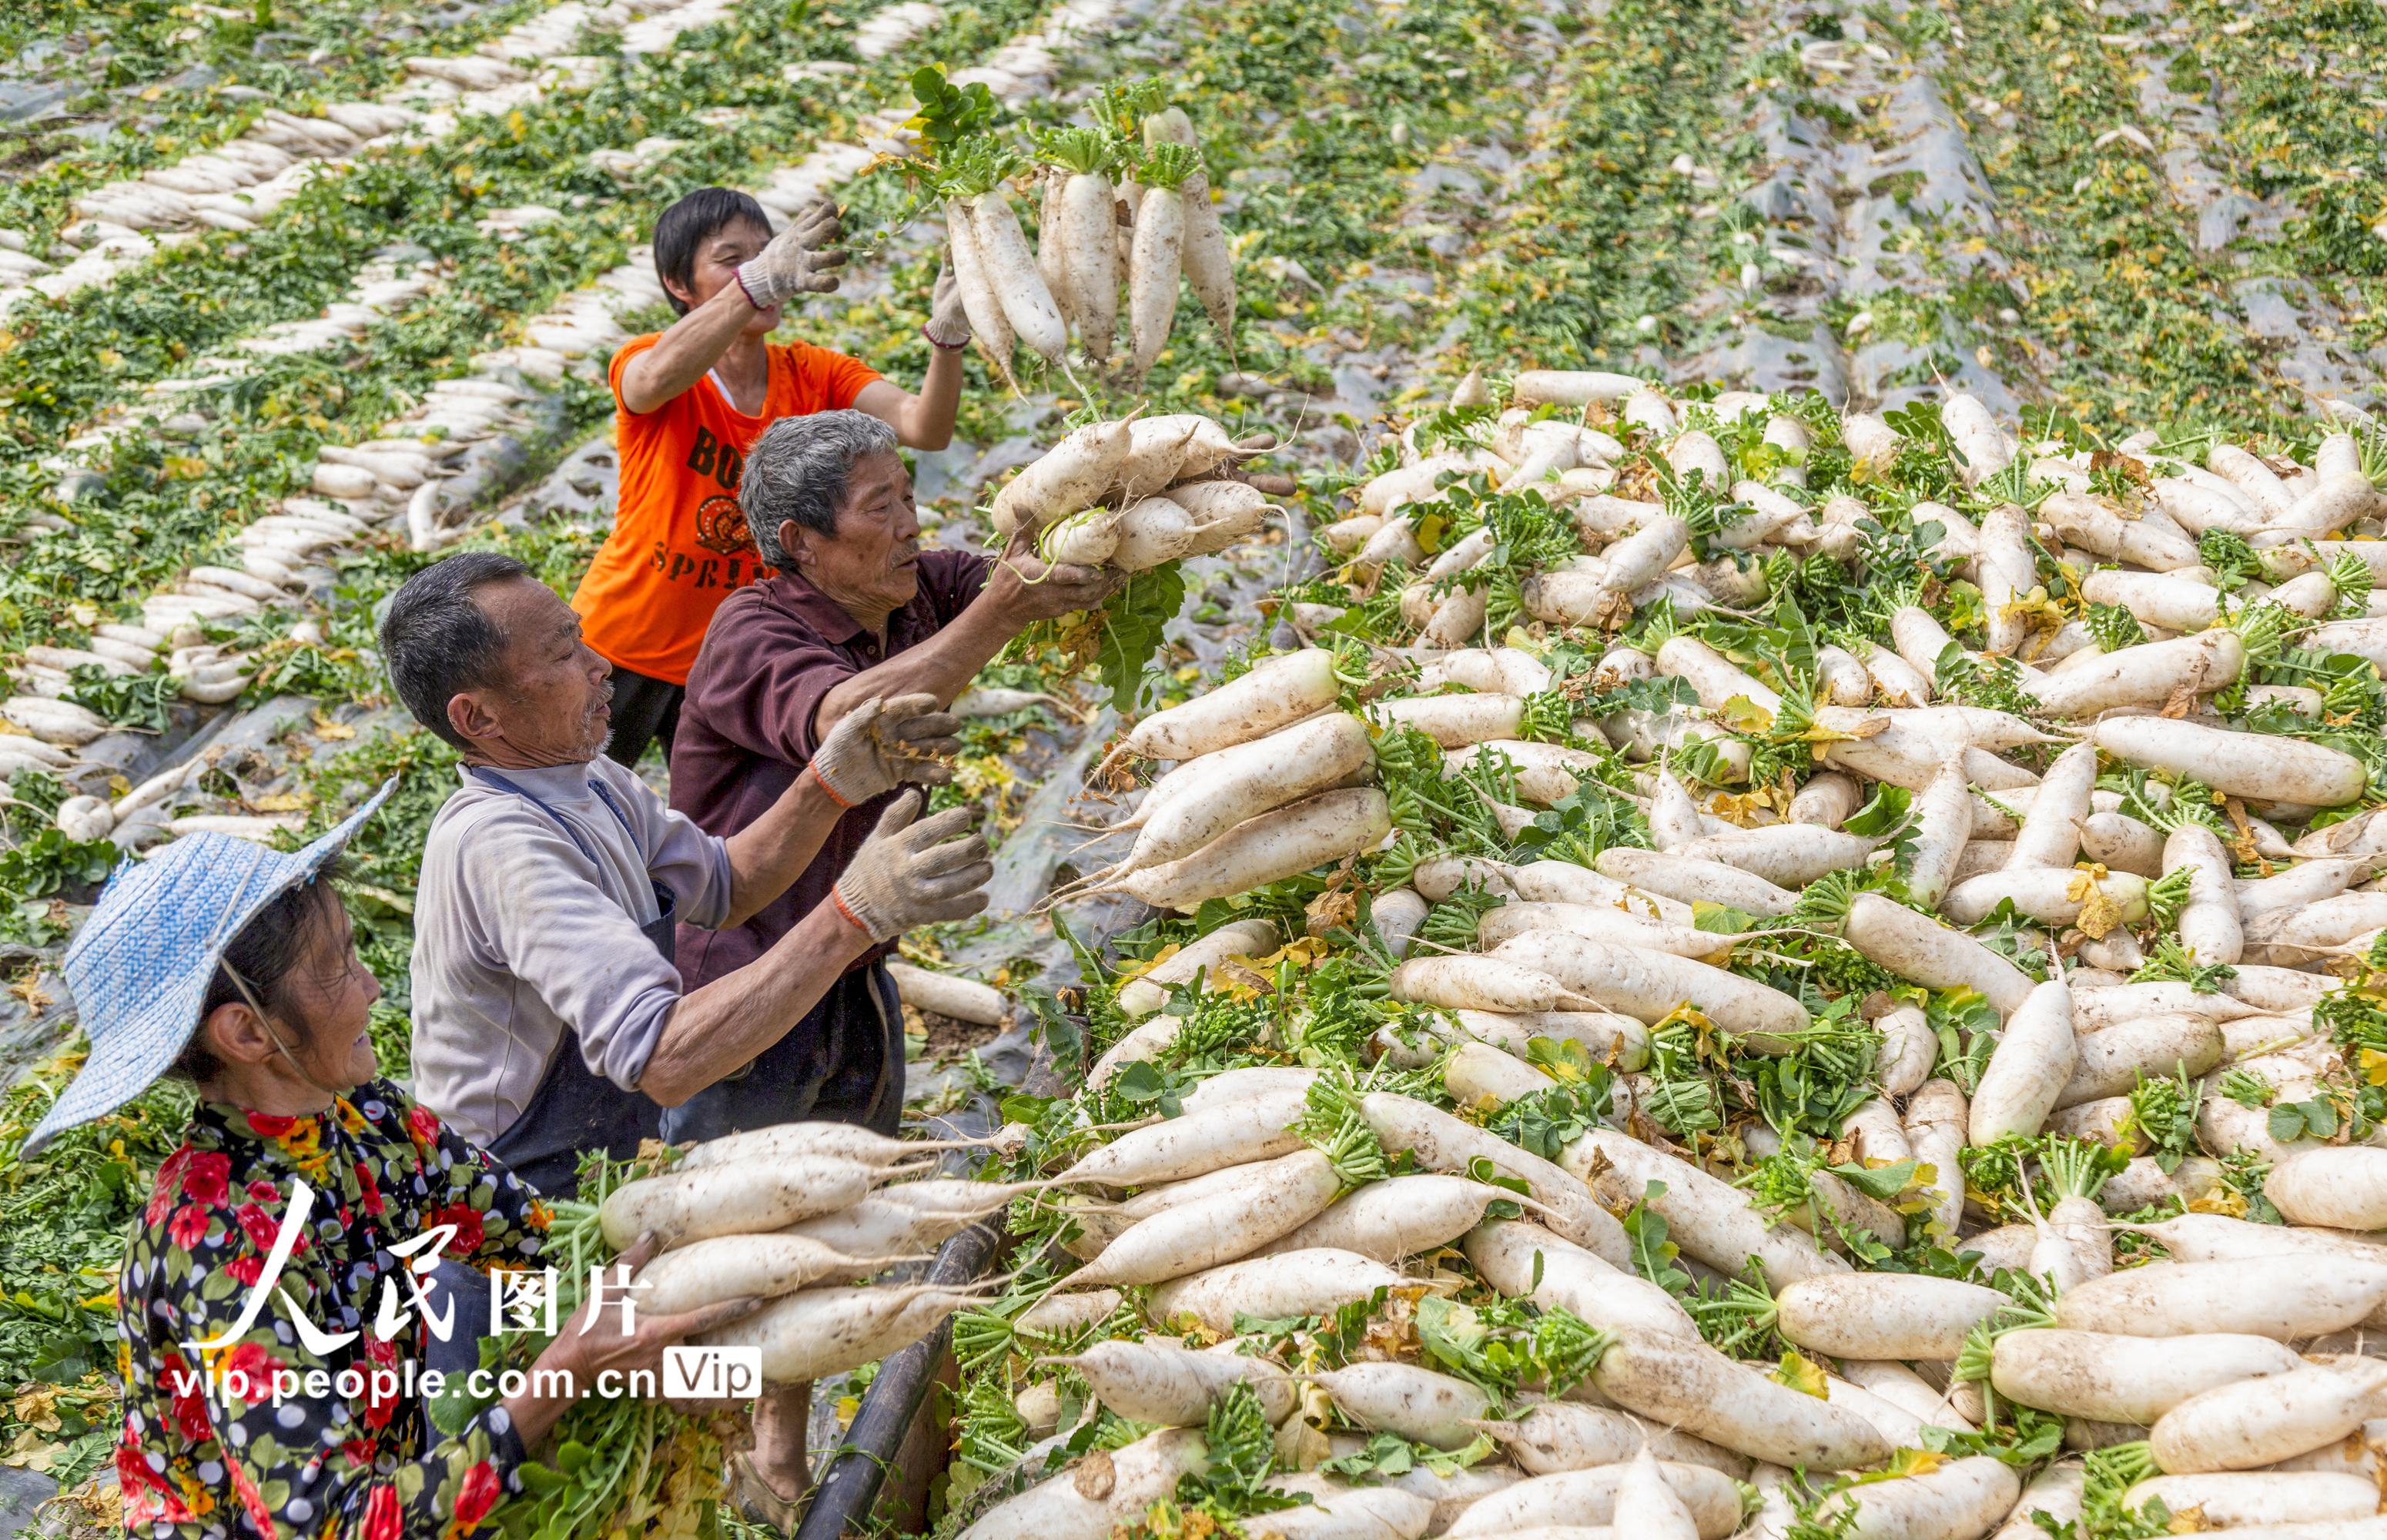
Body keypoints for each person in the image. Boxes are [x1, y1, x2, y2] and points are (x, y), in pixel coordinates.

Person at [22, 796, 761, 1540]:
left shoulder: (372, 1121)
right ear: (247, 1030)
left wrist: (710, 1352)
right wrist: (565, 1371)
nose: (372, 984)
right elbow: (332, 1524)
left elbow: (537, 1247)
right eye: (337, 968)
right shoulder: (217, 1244)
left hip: (402, 1477)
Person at [380, 551, 992, 1199]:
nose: (600, 665)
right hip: (514, 1204)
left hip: (602, 1168)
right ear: (477, 718)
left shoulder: (592, 781)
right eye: (563, 656)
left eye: (580, 637)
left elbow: (728, 884)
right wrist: (854, 912)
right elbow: (664, 1058)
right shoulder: (504, 848)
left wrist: (830, 783)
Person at [665, 410, 1120, 1143]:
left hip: (857, 963)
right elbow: (848, 719)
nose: (911, 523)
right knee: (730, 1209)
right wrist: (997, 616)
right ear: (801, 544)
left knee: (855, 1185)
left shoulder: (915, 594)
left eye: (908, 497)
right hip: (749, 983)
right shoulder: (750, 632)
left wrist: (1120, 516)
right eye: (882, 508)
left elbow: (1028, 574)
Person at [570, 186, 977, 768]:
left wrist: (948, 339)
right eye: (733, 259)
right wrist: (754, 283)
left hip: (741, 655)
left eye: (768, 254)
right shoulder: (651, 361)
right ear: (679, 286)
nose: (765, 271)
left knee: (719, 824)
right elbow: (649, 380)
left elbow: (924, 427)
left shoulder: (814, 373)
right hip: (626, 641)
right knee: (580, 804)